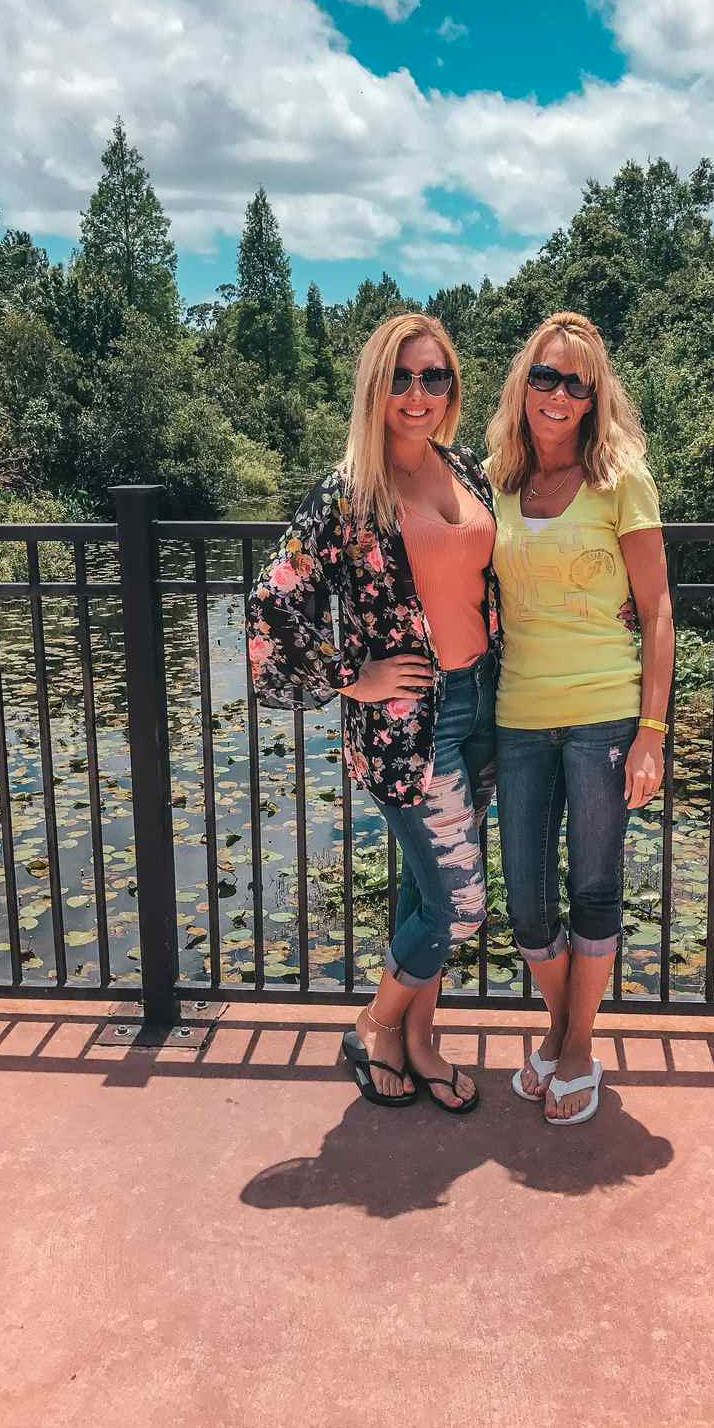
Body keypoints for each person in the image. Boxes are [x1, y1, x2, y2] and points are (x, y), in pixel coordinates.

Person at [247, 313, 500, 1113]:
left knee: (426, 896)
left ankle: (417, 1042)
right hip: (405, 730)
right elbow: (269, 606)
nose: (418, 394)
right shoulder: (349, 494)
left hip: (479, 707)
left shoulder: (465, 470)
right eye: (401, 377)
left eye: (434, 377)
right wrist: (349, 676)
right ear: (374, 387)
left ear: (451, 387)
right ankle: (373, 1025)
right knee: (459, 904)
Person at [485, 311, 674, 1126]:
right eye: (546, 377)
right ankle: (567, 1030)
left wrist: (652, 733)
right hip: (518, 714)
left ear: (596, 400)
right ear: (523, 384)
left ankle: (575, 1046)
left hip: (604, 712)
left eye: (576, 384)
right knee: (526, 902)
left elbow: (658, 607)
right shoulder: (493, 478)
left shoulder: (621, 477)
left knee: (593, 887)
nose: (558, 395)